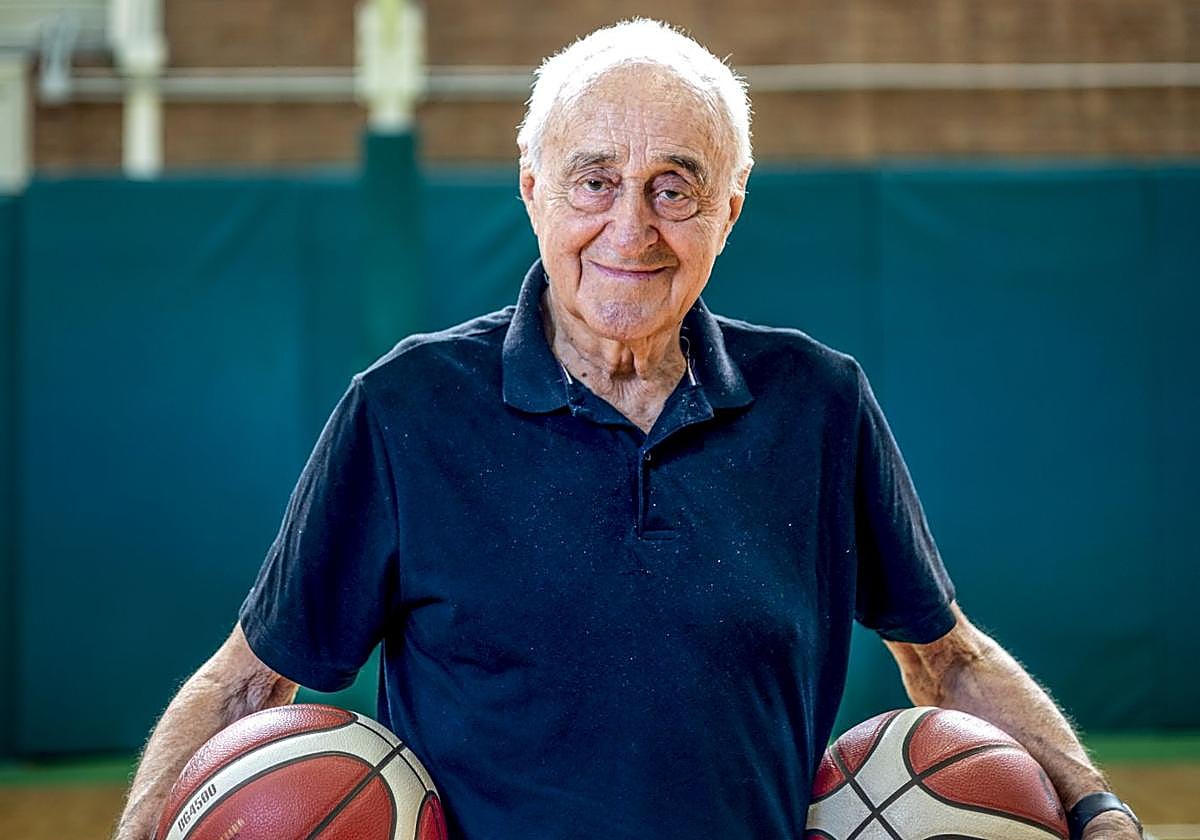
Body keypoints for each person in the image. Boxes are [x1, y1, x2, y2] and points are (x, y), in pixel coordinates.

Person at [114, 19, 1141, 840]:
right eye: (595, 179)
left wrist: (1093, 807)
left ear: (729, 208)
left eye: (674, 188)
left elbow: (947, 662)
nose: (631, 228)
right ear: (532, 189)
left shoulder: (819, 406)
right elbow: (251, 680)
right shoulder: (404, 410)